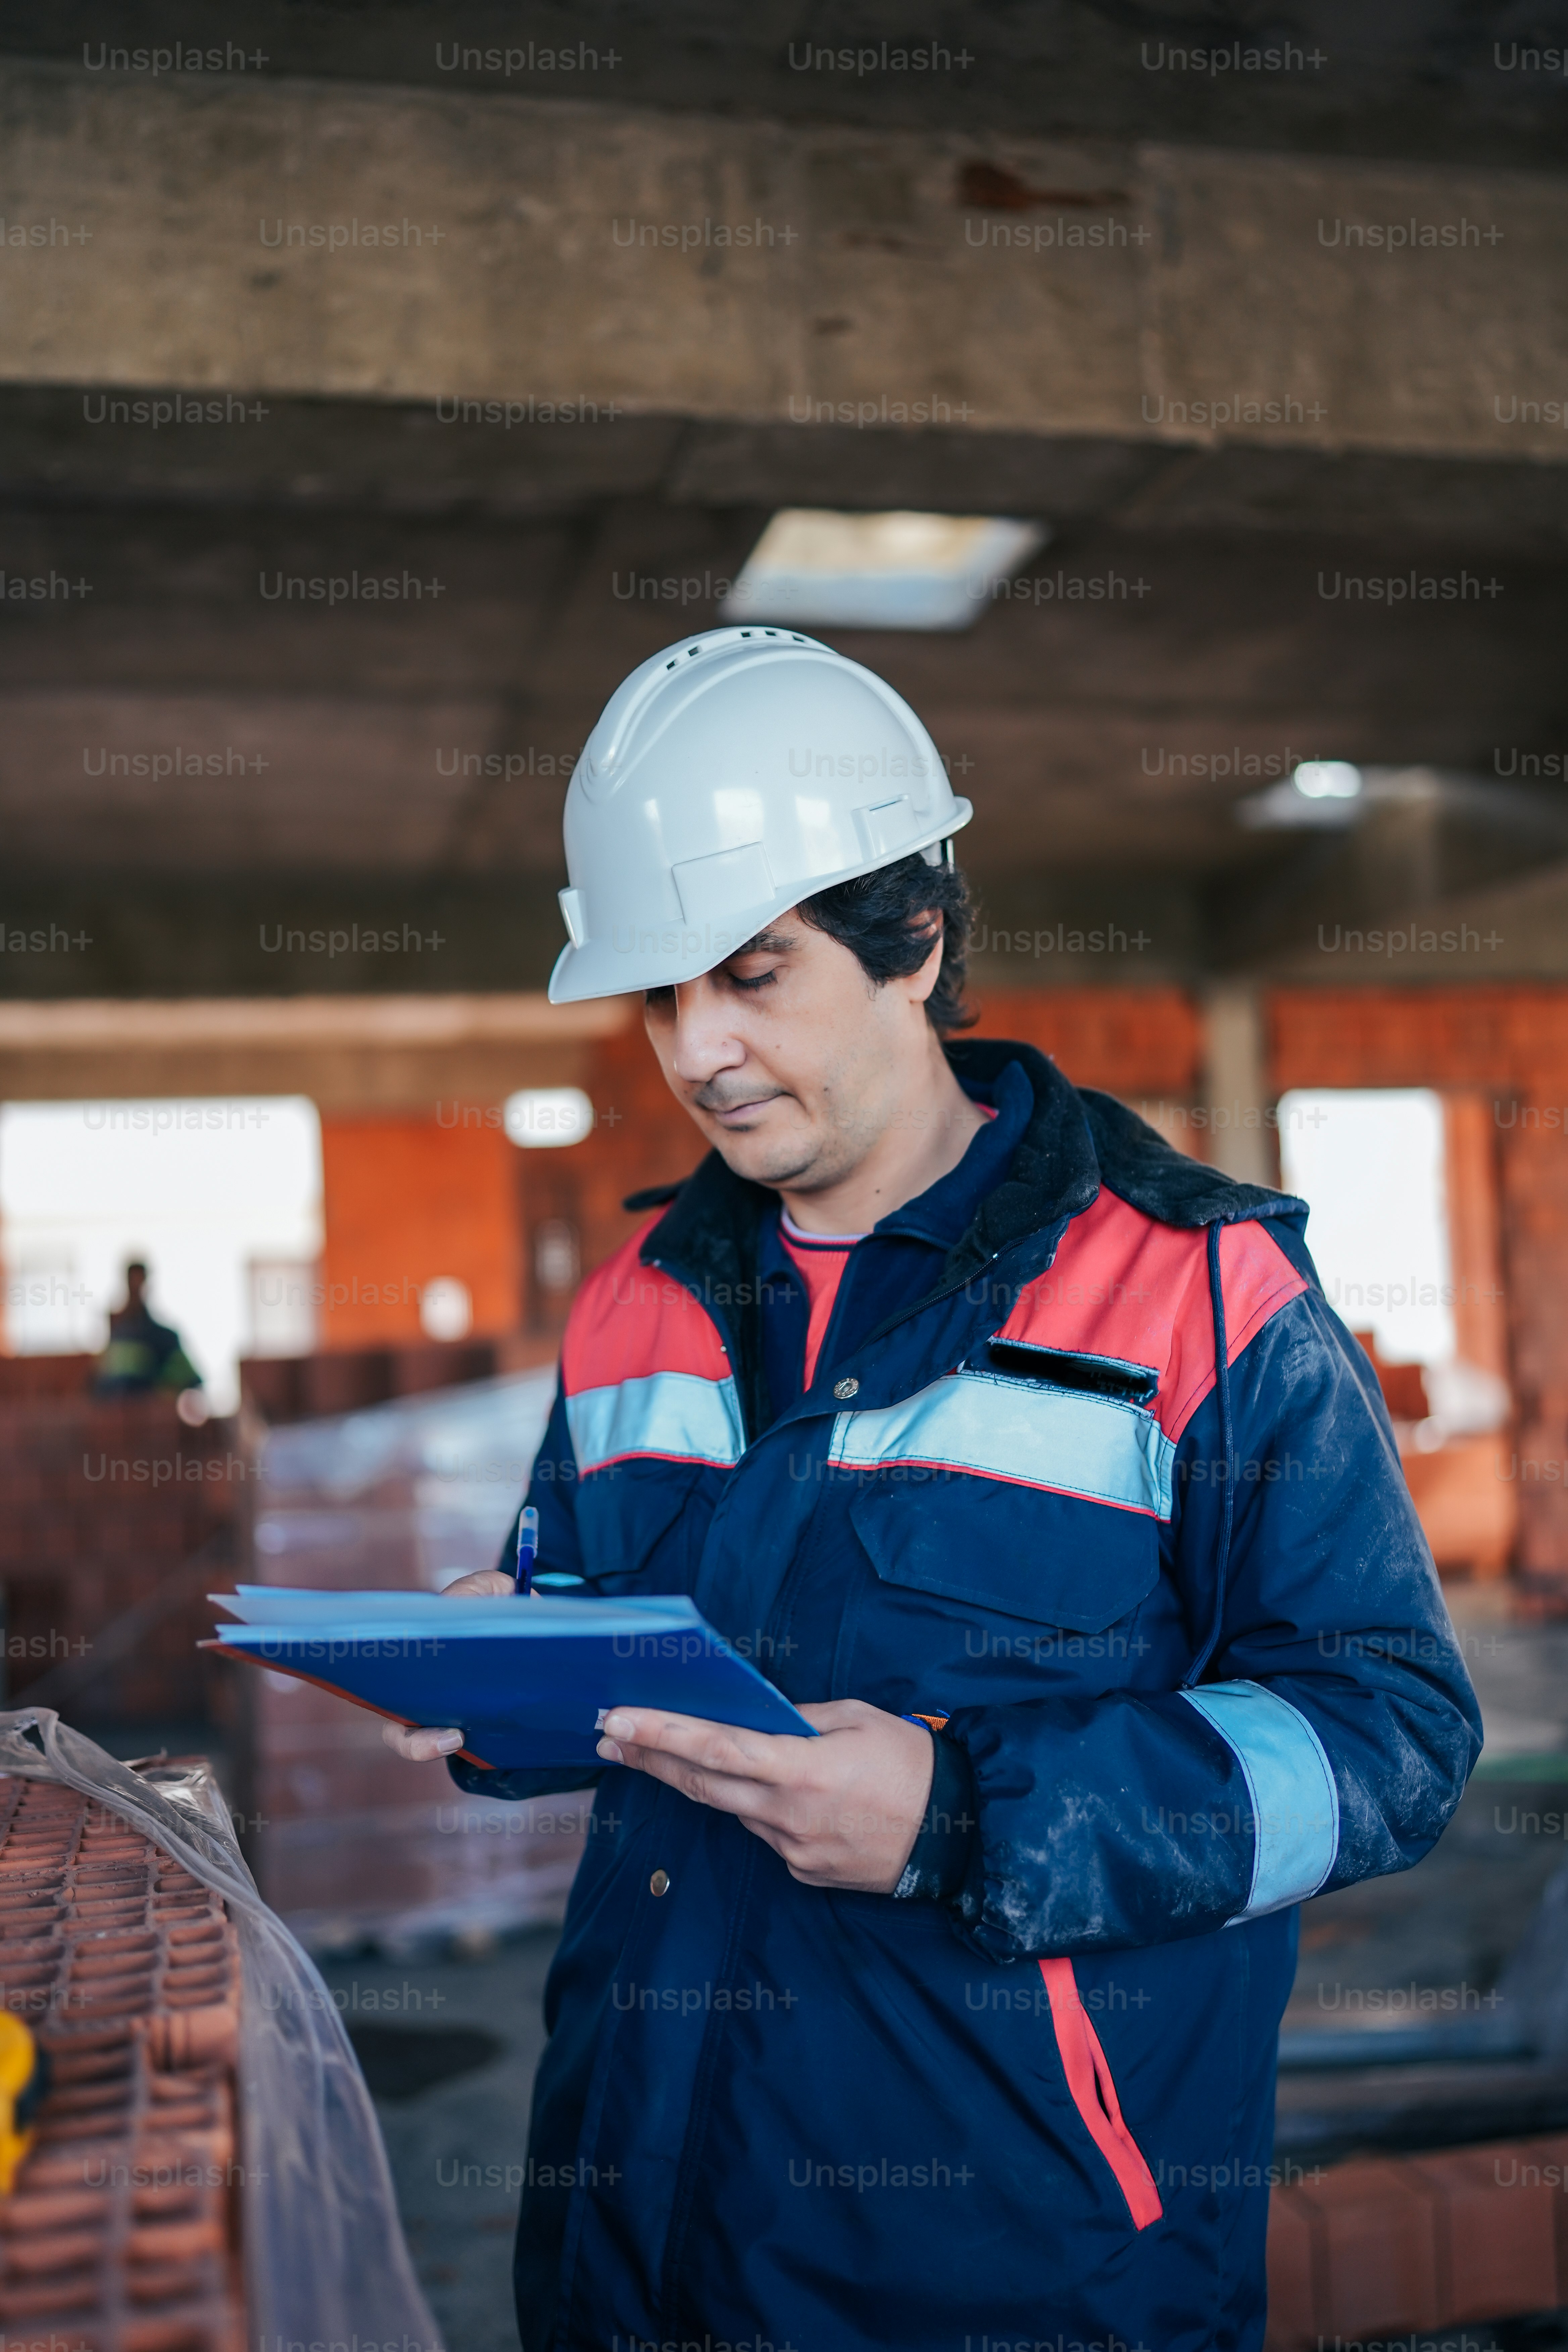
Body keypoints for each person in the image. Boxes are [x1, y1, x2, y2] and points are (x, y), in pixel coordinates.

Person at [385, 627, 1481, 2352]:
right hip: (638, 2215)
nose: (698, 1051)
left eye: (752, 974)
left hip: (1015, 2259)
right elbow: (630, 1644)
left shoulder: (1198, 1294)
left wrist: (969, 1818)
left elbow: (1385, 1742)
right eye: (662, 995)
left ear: (916, 943)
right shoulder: (635, 1299)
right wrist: (500, 1674)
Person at [91, 1260, 203, 1397]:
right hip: (113, 1414)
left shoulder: (164, 1338)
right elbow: (98, 1386)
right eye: (132, 1283)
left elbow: (192, 1381)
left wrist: (164, 1394)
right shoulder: (117, 1339)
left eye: (139, 1283)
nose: (136, 1290)